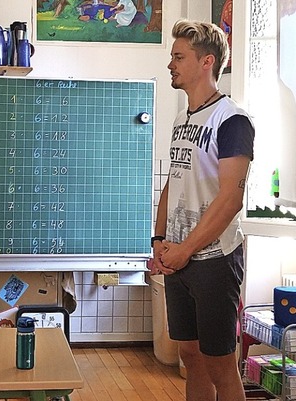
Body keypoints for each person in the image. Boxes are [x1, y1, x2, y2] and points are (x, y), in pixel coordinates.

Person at [151, 20, 254, 401]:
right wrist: (159, 241)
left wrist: (185, 249)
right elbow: (172, 183)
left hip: (214, 260)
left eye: (179, 57)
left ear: (206, 61)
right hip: (178, 258)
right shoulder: (182, 120)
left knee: (220, 364)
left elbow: (231, 200)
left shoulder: (233, 121)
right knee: (190, 355)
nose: (171, 64)